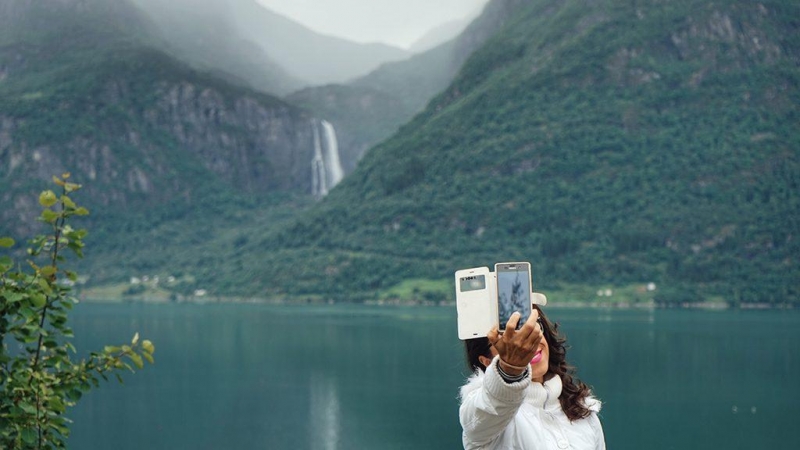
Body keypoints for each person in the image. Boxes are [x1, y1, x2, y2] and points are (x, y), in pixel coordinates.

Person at [459, 305, 606, 449]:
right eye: (508, 337)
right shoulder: (483, 415)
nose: (527, 343)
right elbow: (490, 407)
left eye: (531, 327)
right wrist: (510, 368)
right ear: (487, 361)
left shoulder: (584, 411)